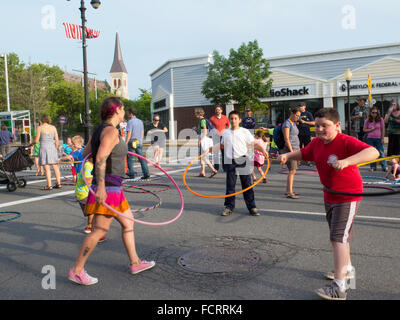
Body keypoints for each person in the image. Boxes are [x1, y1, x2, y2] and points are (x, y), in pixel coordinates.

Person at [278, 108, 379, 300]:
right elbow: (305, 153)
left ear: (337, 126)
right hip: (330, 195)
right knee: (341, 236)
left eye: (325, 126)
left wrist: (347, 161)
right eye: (317, 125)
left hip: (347, 196)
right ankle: (346, 269)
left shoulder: (345, 141)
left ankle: (339, 287)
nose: (319, 129)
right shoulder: (317, 143)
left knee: (338, 238)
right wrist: (288, 156)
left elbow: (372, 151)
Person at [68, 97, 155, 286]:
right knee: (99, 230)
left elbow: (85, 155)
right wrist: (99, 187)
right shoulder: (111, 131)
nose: (124, 112)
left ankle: (135, 262)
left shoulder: (99, 130)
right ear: (117, 110)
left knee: (128, 222)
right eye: (122, 109)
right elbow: (98, 158)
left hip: (114, 187)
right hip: (108, 188)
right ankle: (76, 270)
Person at [219, 110, 268, 217]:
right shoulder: (225, 132)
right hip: (230, 161)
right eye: (231, 118)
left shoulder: (245, 131)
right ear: (229, 120)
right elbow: (222, 145)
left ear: (240, 120)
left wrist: (263, 150)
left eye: (235, 118)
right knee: (230, 185)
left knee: (247, 185)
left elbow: (254, 144)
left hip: (243, 160)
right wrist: (210, 149)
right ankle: (229, 207)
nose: (233, 120)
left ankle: (252, 207)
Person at [74, 156, 107, 242]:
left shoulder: (89, 164)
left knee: (92, 211)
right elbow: (88, 181)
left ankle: (89, 226)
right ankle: (96, 234)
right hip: (85, 193)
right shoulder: (88, 166)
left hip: (84, 192)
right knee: (97, 211)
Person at [34, 114, 61, 190]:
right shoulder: (53, 127)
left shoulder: (40, 128)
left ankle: (49, 185)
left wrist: (33, 142)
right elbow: (56, 140)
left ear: (41, 120)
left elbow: (36, 141)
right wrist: (55, 147)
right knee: (55, 166)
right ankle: (59, 183)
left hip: (44, 147)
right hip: (52, 147)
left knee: (46, 167)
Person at [126, 108, 150, 180]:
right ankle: (146, 173)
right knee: (141, 158)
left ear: (131, 113)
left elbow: (129, 133)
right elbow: (142, 134)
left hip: (132, 142)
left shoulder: (130, 122)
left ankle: (131, 174)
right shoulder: (140, 121)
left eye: (128, 113)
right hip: (139, 141)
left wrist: (126, 142)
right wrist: (140, 140)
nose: (127, 114)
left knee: (130, 158)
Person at [282, 107, 301, 199]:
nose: (298, 117)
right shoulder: (287, 123)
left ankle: (288, 190)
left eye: (299, 116)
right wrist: (291, 151)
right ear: (292, 113)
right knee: (292, 170)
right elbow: (286, 138)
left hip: (296, 148)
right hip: (291, 149)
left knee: (293, 170)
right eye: (296, 115)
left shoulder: (293, 123)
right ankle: (289, 192)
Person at [194, 108, 218, 178]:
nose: (195, 114)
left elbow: (205, 131)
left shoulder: (203, 120)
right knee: (202, 156)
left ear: (199, 113)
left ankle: (213, 170)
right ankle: (202, 172)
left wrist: (200, 140)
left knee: (203, 156)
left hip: (205, 139)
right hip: (207, 139)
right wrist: (196, 129)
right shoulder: (204, 120)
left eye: (195, 113)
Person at [363, 107, 387, 172]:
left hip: (378, 138)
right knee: (371, 153)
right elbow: (364, 129)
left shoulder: (380, 119)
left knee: (381, 153)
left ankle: (384, 167)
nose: (374, 114)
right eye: (373, 112)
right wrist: (370, 129)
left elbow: (383, 129)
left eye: (376, 113)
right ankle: (373, 167)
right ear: (370, 113)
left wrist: (382, 138)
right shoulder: (367, 120)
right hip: (370, 138)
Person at [209, 105, 230, 172]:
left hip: (224, 137)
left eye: (218, 109)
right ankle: (216, 168)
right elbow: (210, 127)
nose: (217, 111)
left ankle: (225, 168)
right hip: (216, 137)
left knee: (224, 153)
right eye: (216, 110)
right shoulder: (212, 118)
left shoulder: (225, 118)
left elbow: (228, 126)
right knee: (216, 153)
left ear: (221, 110)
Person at [297, 102, 315, 166]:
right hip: (298, 134)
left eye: (301, 106)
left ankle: (308, 161)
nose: (300, 107)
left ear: (304, 107)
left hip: (306, 133)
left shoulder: (308, 113)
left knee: (307, 148)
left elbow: (313, 123)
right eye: (299, 106)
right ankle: (299, 162)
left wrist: (304, 122)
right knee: (299, 148)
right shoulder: (297, 114)